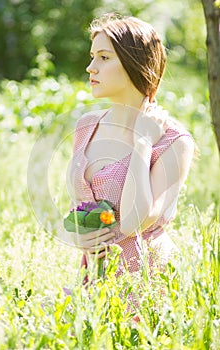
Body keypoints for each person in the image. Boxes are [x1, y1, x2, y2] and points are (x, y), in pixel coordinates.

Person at [66, 13, 194, 301]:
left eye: (103, 57)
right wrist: (80, 234)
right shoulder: (87, 126)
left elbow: (134, 221)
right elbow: (80, 206)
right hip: (93, 282)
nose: (90, 67)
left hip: (146, 285)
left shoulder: (174, 141)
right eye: (92, 57)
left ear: (134, 62)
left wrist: (142, 141)